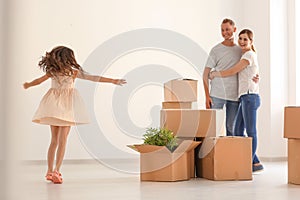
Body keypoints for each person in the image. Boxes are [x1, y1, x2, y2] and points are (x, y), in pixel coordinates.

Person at [23, 46, 127, 183]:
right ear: (68, 58)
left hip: (53, 106)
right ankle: (56, 170)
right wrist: (113, 80)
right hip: (66, 107)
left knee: (54, 140)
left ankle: (50, 171)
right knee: (62, 140)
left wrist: (28, 84)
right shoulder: (72, 73)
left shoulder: (53, 72)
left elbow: (38, 81)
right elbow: (93, 78)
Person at [210, 29, 263, 172]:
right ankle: (256, 163)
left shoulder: (249, 55)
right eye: (240, 38)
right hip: (244, 98)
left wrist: (216, 74)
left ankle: (247, 163)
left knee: (251, 131)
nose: (241, 41)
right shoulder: (245, 55)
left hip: (250, 97)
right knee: (237, 130)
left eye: (245, 39)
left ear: (251, 42)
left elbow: (233, 71)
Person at [203, 18, 242, 136]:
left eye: (228, 30)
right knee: (213, 128)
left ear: (234, 29)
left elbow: (248, 66)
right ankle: (212, 154)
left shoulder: (240, 50)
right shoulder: (216, 50)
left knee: (232, 128)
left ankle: (229, 154)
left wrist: (256, 77)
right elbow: (205, 74)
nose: (225, 33)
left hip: (234, 95)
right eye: (222, 30)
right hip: (216, 95)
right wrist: (207, 96)